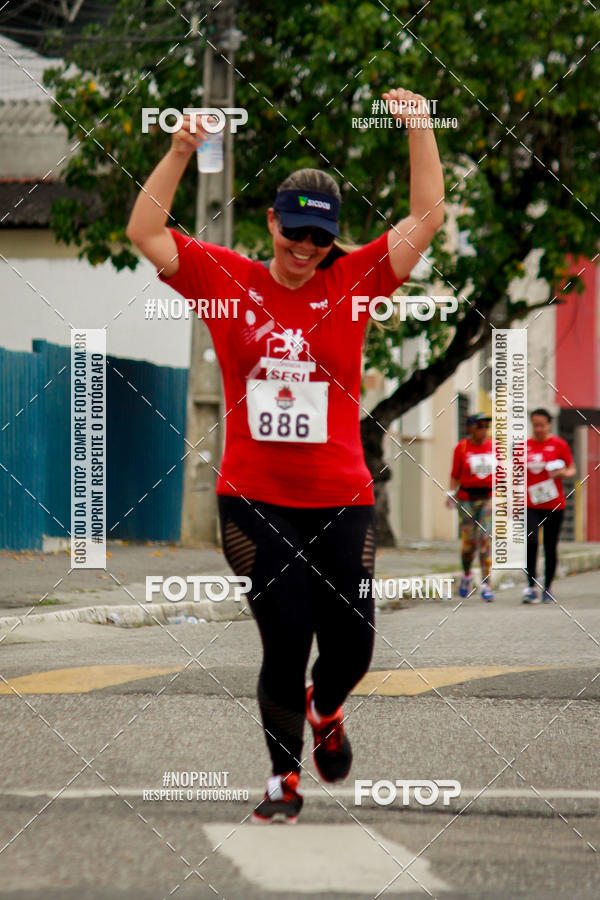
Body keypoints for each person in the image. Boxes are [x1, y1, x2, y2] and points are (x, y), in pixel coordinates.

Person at [126, 87, 444, 823]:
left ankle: (325, 708)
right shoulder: (223, 278)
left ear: (334, 240)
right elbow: (145, 230)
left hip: (341, 496)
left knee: (353, 645)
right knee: (287, 635)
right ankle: (283, 779)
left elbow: (426, 217)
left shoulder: (355, 280)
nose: (303, 250)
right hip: (253, 497)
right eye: (292, 233)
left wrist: (421, 129)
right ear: (270, 222)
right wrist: (179, 150)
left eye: (318, 239)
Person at [523, 408, 575, 604]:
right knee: (530, 542)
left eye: (542, 425)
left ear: (549, 424)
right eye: (535, 425)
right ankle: (530, 586)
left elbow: (572, 469)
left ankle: (548, 587)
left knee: (550, 546)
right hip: (530, 504)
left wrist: (562, 473)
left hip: (554, 504)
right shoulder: (525, 446)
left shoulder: (559, 444)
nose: (538, 429)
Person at [446, 413, 495, 602]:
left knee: (485, 540)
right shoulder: (462, 448)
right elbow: (454, 474)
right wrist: (451, 494)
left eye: (486, 426)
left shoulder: (493, 447)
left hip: (487, 498)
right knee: (469, 544)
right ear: (470, 428)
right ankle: (467, 575)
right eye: (479, 426)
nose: (484, 430)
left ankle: (486, 584)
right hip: (466, 499)